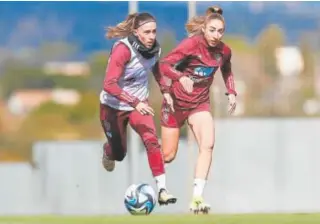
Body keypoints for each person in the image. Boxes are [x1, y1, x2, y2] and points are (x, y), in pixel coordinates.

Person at [158, 6, 237, 213]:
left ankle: (197, 198)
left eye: (220, 31)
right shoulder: (191, 45)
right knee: (168, 155)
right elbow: (164, 65)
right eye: (212, 30)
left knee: (208, 144)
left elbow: (226, 68)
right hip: (175, 104)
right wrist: (180, 77)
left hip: (199, 104)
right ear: (204, 28)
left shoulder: (223, 51)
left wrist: (231, 92)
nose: (216, 35)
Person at [99, 12, 176, 206]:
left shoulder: (155, 50)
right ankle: (108, 151)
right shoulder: (123, 50)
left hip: (139, 105)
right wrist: (135, 102)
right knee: (120, 153)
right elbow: (109, 84)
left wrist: (166, 91)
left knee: (151, 140)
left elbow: (156, 71)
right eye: (147, 32)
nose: (152, 36)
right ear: (135, 32)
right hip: (112, 106)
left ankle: (162, 190)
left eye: (154, 32)